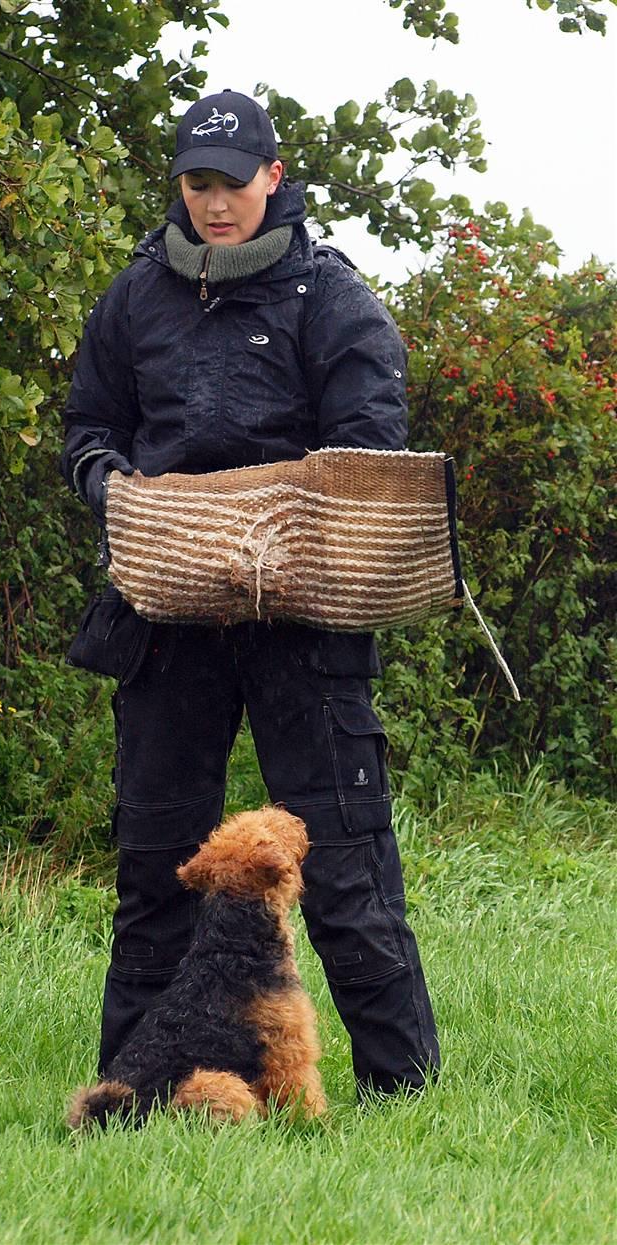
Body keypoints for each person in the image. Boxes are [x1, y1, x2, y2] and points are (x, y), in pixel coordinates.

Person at [60, 89, 440, 1098]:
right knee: (158, 868)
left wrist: (276, 520)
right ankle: (127, 1099)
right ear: (178, 185)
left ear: (273, 179)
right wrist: (110, 484)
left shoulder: (331, 296)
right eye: (196, 184)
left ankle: (401, 1098)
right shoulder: (132, 298)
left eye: (232, 184)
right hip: (165, 620)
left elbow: (370, 446)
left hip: (303, 624)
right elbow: (88, 428)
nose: (214, 203)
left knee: (346, 868)